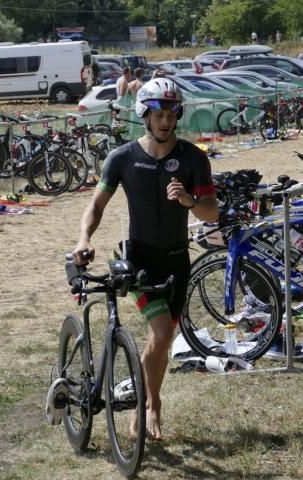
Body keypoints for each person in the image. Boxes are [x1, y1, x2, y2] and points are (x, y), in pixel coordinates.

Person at [72, 79, 218, 441]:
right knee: (162, 332)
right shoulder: (123, 158)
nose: (166, 121)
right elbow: (96, 204)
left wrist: (188, 201)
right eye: (158, 114)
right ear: (145, 115)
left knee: (163, 342)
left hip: (177, 261)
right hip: (139, 260)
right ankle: (150, 404)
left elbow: (211, 213)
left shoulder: (193, 158)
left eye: (172, 113)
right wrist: (84, 237)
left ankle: (149, 398)